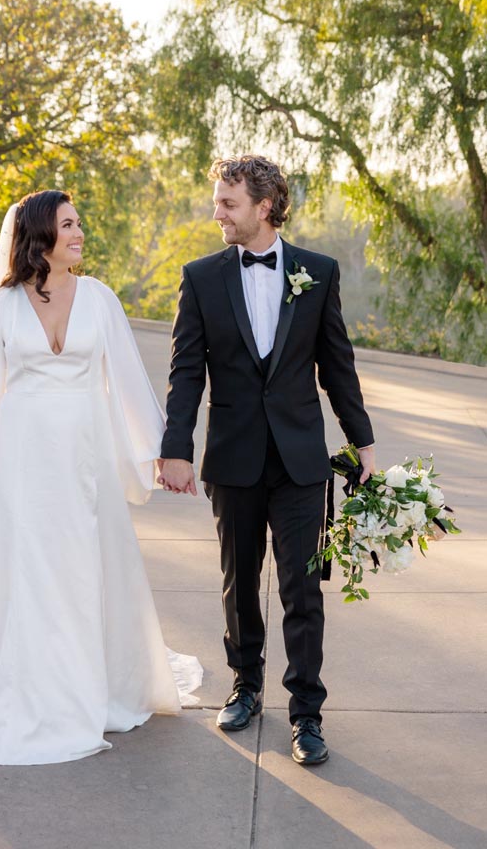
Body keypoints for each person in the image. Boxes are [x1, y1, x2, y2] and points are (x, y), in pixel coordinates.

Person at [0, 190, 201, 766]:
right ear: (39, 236)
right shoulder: (5, 305)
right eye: (68, 224)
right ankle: (31, 692)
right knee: (29, 571)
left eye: (79, 223)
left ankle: (91, 686)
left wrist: (165, 454)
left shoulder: (100, 298)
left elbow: (129, 380)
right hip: (21, 459)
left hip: (86, 459)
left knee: (83, 566)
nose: (79, 234)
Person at [157, 156, 375, 766]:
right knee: (240, 583)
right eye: (218, 201)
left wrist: (361, 440)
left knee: (304, 590)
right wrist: (175, 448)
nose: (218, 213)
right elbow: (185, 371)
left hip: (301, 460)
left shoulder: (318, 272)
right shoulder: (200, 277)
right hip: (234, 457)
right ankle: (245, 686)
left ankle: (307, 713)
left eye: (228, 203)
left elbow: (336, 364)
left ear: (266, 206)